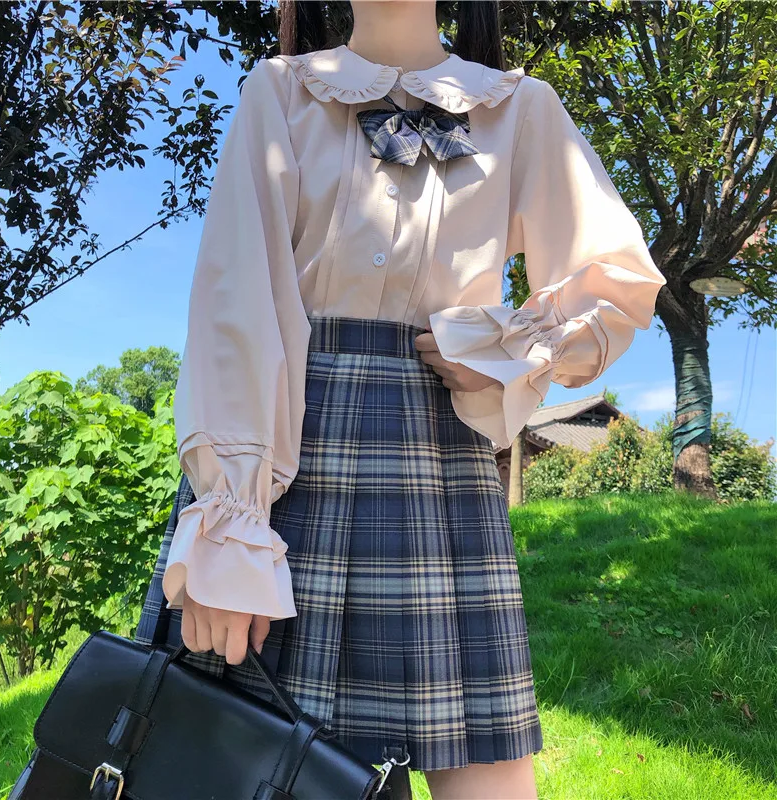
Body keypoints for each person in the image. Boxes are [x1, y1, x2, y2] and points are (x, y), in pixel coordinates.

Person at [134, 1, 666, 798]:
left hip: (439, 460)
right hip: (285, 460)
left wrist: (514, 355)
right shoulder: (282, 92)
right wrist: (231, 524)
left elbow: (616, 277)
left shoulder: (519, 108)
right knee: (243, 760)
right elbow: (236, 303)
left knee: (485, 771)